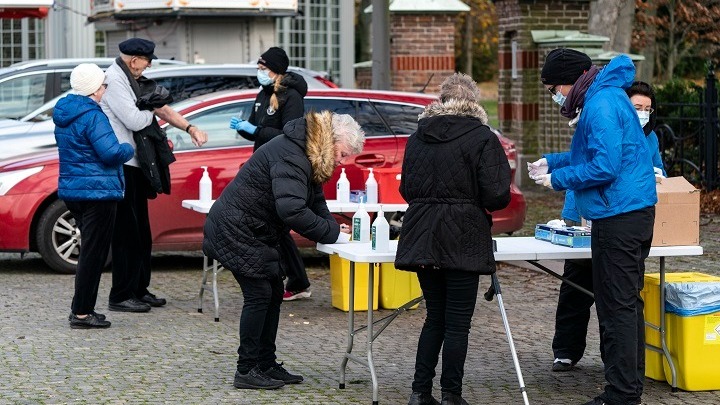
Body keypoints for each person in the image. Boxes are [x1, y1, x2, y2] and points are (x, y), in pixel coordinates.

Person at [529, 48, 657, 405]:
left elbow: (604, 167)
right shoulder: (607, 95)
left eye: (555, 87)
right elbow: (596, 154)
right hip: (628, 210)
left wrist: (559, 179)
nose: (556, 95)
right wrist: (553, 162)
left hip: (619, 213)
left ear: (571, 81)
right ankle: (629, 388)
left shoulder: (600, 105)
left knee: (617, 308)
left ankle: (621, 395)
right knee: (626, 305)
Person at [203, 111, 363, 390]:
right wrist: (333, 233)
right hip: (237, 228)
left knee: (274, 292)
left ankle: (265, 363)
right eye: (343, 154)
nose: (342, 161)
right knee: (260, 294)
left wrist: (333, 229)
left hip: (254, 230)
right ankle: (246, 369)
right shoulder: (294, 154)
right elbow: (292, 210)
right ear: (332, 140)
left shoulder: (311, 151)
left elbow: (315, 200)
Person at [394, 73, 512, 405]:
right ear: (473, 102)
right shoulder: (482, 137)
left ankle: (419, 392)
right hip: (464, 234)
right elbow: (497, 193)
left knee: (435, 316)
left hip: (423, 233)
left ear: (442, 101)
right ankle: (451, 395)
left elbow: (407, 190)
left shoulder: (417, 137)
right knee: (457, 322)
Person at [543, 80, 667, 373]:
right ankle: (566, 350)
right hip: (589, 212)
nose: (643, 113)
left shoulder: (649, 138)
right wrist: (555, 170)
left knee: (618, 298)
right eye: (638, 107)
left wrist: (654, 173)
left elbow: (657, 170)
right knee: (577, 283)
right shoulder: (606, 120)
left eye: (648, 109)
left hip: (622, 214)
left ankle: (620, 369)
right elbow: (591, 165)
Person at [101, 38, 208, 313]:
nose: (148, 65)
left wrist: (189, 127)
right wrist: (149, 107)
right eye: (147, 60)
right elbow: (135, 120)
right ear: (134, 60)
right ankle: (121, 295)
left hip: (136, 165)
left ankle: (138, 289)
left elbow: (158, 107)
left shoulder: (133, 78)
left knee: (142, 233)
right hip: (121, 165)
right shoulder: (115, 81)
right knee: (127, 234)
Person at [228, 46, 313, 302]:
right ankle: (294, 279)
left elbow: (291, 135)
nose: (259, 72)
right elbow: (261, 127)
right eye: (258, 68)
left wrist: (255, 131)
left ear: (275, 70)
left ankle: (297, 281)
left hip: (281, 165)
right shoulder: (264, 93)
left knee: (277, 226)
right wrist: (244, 129)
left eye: (263, 69)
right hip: (262, 163)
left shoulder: (291, 96)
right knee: (273, 225)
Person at [54, 63, 134, 329]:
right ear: (93, 89)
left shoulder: (66, 113)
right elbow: (110, 153)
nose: (104, 90)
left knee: (90, 250)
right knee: (93, 254)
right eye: (102, 86)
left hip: (74, 191)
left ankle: (82, 308)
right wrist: (127, 148)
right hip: (98, 192)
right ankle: (81, 313)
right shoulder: (93, 116)